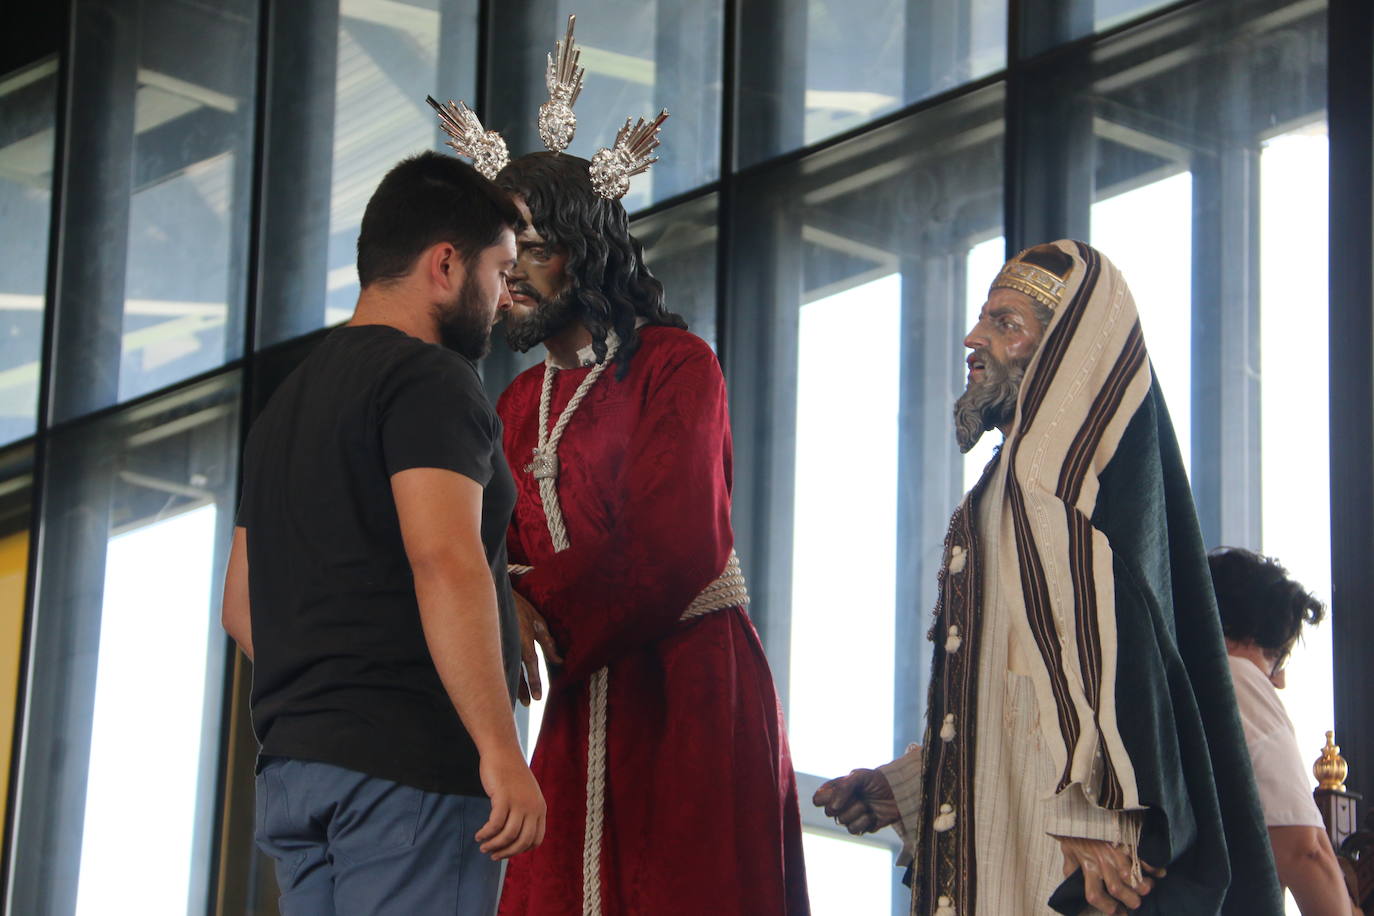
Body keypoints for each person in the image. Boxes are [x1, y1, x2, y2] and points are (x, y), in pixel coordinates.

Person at [813, 241, 1283, 915]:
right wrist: (915, 785)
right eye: (985, 319)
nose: (974, 340)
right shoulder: (1006, 491)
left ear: (1070, 354)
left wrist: (1104, 817)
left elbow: (1120, 676)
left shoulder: (1049, 492)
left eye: (1007, 324)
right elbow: (1020, 705)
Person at [220, 151, 544, 916]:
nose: (504, 300)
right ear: (444, 264)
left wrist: (340, 678)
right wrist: (500, 750)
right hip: (412, 775)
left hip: (297, 779)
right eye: (499, 272)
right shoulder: (429, 380)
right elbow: (444, 557)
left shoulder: (285, 408)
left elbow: (241, 606)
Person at [490, 151, 810, 915]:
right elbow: (487, 552)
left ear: (590, 247)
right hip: (577, 703)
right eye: (507, 254)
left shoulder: (676, 364)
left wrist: (523, 598)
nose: (515, 274)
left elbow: (674, 542)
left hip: (690, 690)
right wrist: (500, 593)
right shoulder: (515, 403)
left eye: (538, 249)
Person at [1210, 547, 1353, 915]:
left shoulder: (1160, 685)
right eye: (1276, 658)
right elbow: (1305, 851)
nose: (1281, 680)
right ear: (1244, 633)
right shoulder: (1235, 678)